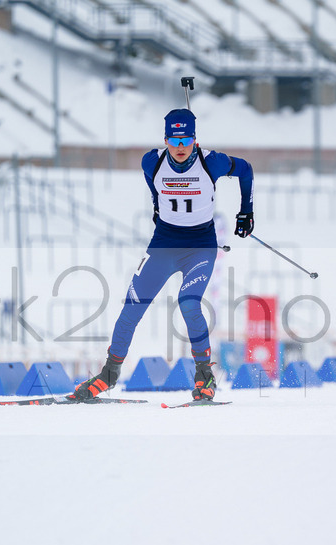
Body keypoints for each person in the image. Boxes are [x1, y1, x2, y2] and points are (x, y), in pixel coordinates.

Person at [71, 108, 254, 402]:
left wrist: (246, 211)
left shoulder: (212, 162)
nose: (180, 147)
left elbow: (245, 169)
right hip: (163, 245)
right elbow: (152, 185)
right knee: (132, 306)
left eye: (186, 140)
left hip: (200, 247)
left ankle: (205, 376)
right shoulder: (151, 162)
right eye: (174, 139)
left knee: (188, 302)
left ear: (195, 139)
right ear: (166, 139)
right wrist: (158, 208)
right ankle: (109, 374)